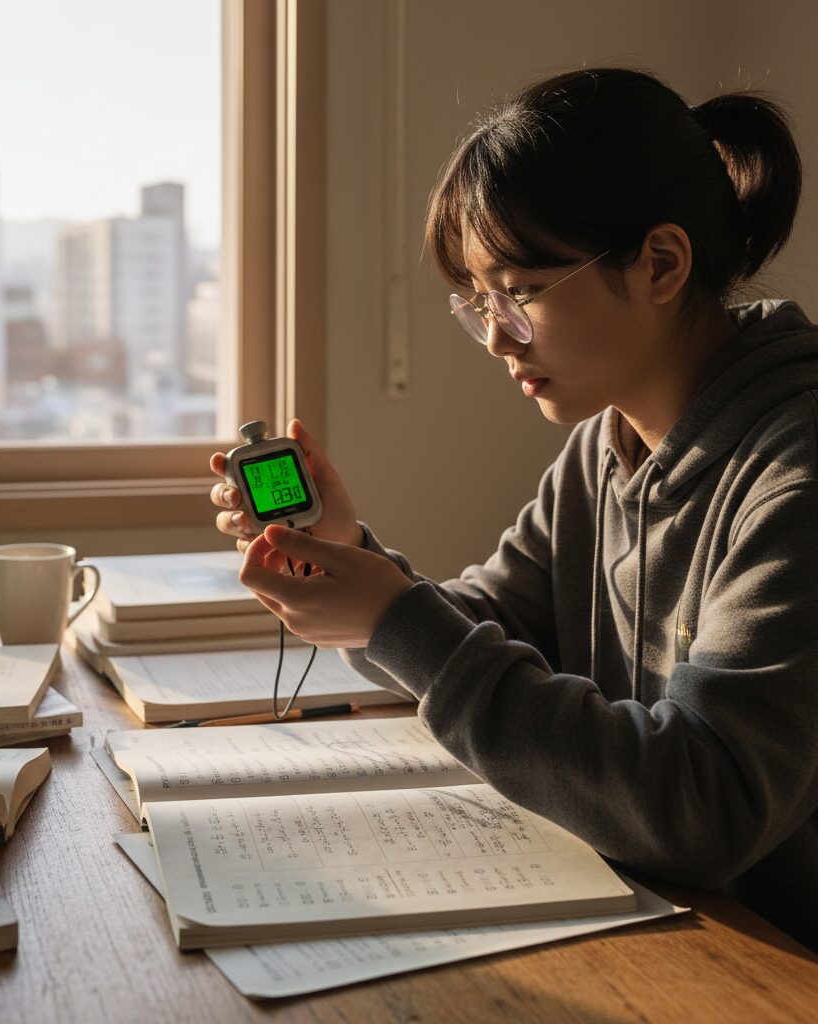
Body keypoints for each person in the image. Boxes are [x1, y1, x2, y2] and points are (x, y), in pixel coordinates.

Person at [208, 67, 818, 951]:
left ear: (660, 264)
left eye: (520, 291)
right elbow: (486, 624)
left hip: (772, 960)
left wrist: (390, 614)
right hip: (658, 918)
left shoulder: (794, 479)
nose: (495, 335)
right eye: (478, 300)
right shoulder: (608, 447)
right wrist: (352, 556)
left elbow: (705, 806)